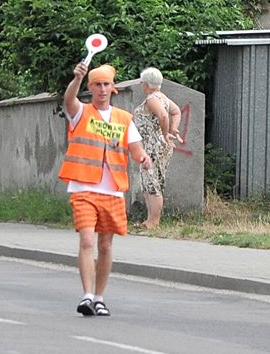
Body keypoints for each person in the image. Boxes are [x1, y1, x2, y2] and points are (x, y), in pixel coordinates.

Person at [59, 62, 152, 317]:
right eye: (97, 85)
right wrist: (76, 79)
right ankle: (87, 295)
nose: (101, 89)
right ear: (89, 88)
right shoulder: (81, 112)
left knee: (106, 246)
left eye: (106, 85)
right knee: (87, 239)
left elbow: (136, 148)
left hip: (112, 190)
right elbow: (69, 99)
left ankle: (99, 298)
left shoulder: (124, 119)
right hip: (83, 188)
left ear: (113, 89)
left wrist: (144, 158)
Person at [132, 67, 183, 229]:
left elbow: (162, 115)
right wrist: (173, 129)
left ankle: (153, 221)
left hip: (153, 145)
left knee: (152, 182)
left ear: (146, 84)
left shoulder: (152, 99)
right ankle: (150, 220)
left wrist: (165, 132)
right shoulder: (164, 98)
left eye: (142, 83)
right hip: (158, 145)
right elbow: (176, 112)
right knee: (151, 181)